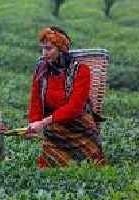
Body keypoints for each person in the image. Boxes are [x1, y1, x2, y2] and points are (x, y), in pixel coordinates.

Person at [27, 26, 105, 169]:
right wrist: (33, 124)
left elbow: (74, 108)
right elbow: (36, 100)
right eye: (42, 48)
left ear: (61, 49)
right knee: (49, 167)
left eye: (49, 49)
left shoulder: (80, 70)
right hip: (55, 129)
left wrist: (43, 122)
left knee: (91, 167)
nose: (44, 53)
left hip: (80, 128)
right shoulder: (41, 69)